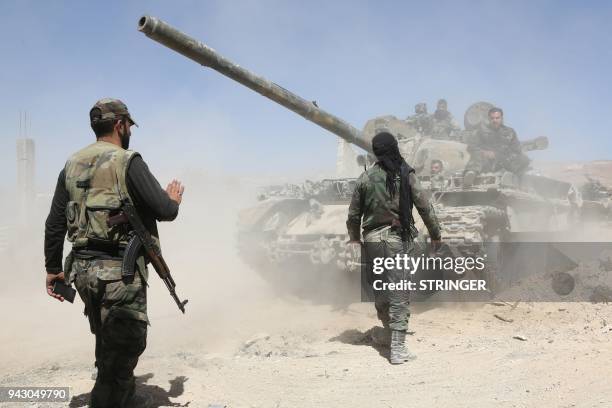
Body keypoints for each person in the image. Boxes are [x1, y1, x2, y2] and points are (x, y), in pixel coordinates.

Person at [44, 98, 185, 407]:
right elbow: (165, 211)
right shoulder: (127, 160)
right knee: (127, 343)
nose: (130, 131)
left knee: (105, 336)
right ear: (121, 125)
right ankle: (110, 399)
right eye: (129, 126)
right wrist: (172, 199)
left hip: (82, 272)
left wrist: (53, 269)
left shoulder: (71, 164)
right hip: (119, 273)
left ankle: (117, 392)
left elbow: (55, 223)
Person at [346, 132, 441, 364]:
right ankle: (397, 348)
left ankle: (389, 332)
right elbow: (425, 207)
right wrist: (436, 235)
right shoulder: (405, 174)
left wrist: (355, 239)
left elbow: (353, 216)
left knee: (381, 288)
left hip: (372, 241)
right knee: (399, 291)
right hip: (395, 239)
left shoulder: (364, 178)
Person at [463, 107, 530, 187]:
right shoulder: (481, 131)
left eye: (497, 118)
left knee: (523, 159)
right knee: (477, 155)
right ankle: (471, 174)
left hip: (504, 161)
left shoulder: (510, 132)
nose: (495, 120)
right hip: (486, 162)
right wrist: (484, 152)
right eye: (492, 118)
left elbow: (516, 149)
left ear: (501, 118)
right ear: (489, 118)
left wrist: (499, 154)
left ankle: (512, 178)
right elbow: (471, 147)